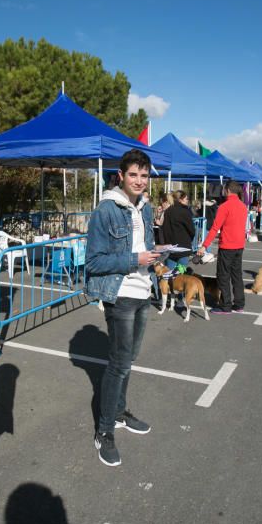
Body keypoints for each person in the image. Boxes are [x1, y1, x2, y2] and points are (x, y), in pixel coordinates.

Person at [85, 149, 158, 467]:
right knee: (118, 364)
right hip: (121, 295)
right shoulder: (106, 209)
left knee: (129, 360)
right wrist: (134, 260)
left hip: (144, 292)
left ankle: (118, 412)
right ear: (121, 176)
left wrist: (158, 260)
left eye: (144, 175)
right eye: (134, 175)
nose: (140, 181)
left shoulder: (146, 207)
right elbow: (94, 262)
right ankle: (104, 431)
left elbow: (146, 248)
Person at [197, 180, 248, 314]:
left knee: (223, 276)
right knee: (237, 275)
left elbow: (215, 228)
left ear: (227, 190)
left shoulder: (224, 207)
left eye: (223, 189)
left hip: (227, 246)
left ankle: (225, 305)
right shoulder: (243, 206)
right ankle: (239, 304)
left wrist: (204, 246)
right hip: (239, 245)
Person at [161, 191, 196, 269]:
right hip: (183, 248)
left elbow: (165, 229)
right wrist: (189, 240)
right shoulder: (185, 211)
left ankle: (171, 280)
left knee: (169, 275)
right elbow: (191, 230)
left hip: (170, 248)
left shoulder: (168, 211)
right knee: (181, 274)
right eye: (186, 199)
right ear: (180, 199)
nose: (187, 201)